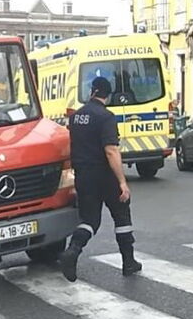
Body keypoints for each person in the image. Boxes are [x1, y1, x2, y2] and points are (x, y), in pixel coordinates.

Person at [59, 76, 142, 282]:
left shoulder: (76, 117)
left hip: (84, 176)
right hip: (105, 175)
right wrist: (122, 182)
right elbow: (111, 151)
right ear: (108, 94)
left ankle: (73, 251)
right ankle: (128, 262)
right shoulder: (106, 117)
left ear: (92, 92)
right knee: (121, 215)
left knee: (89, 220)